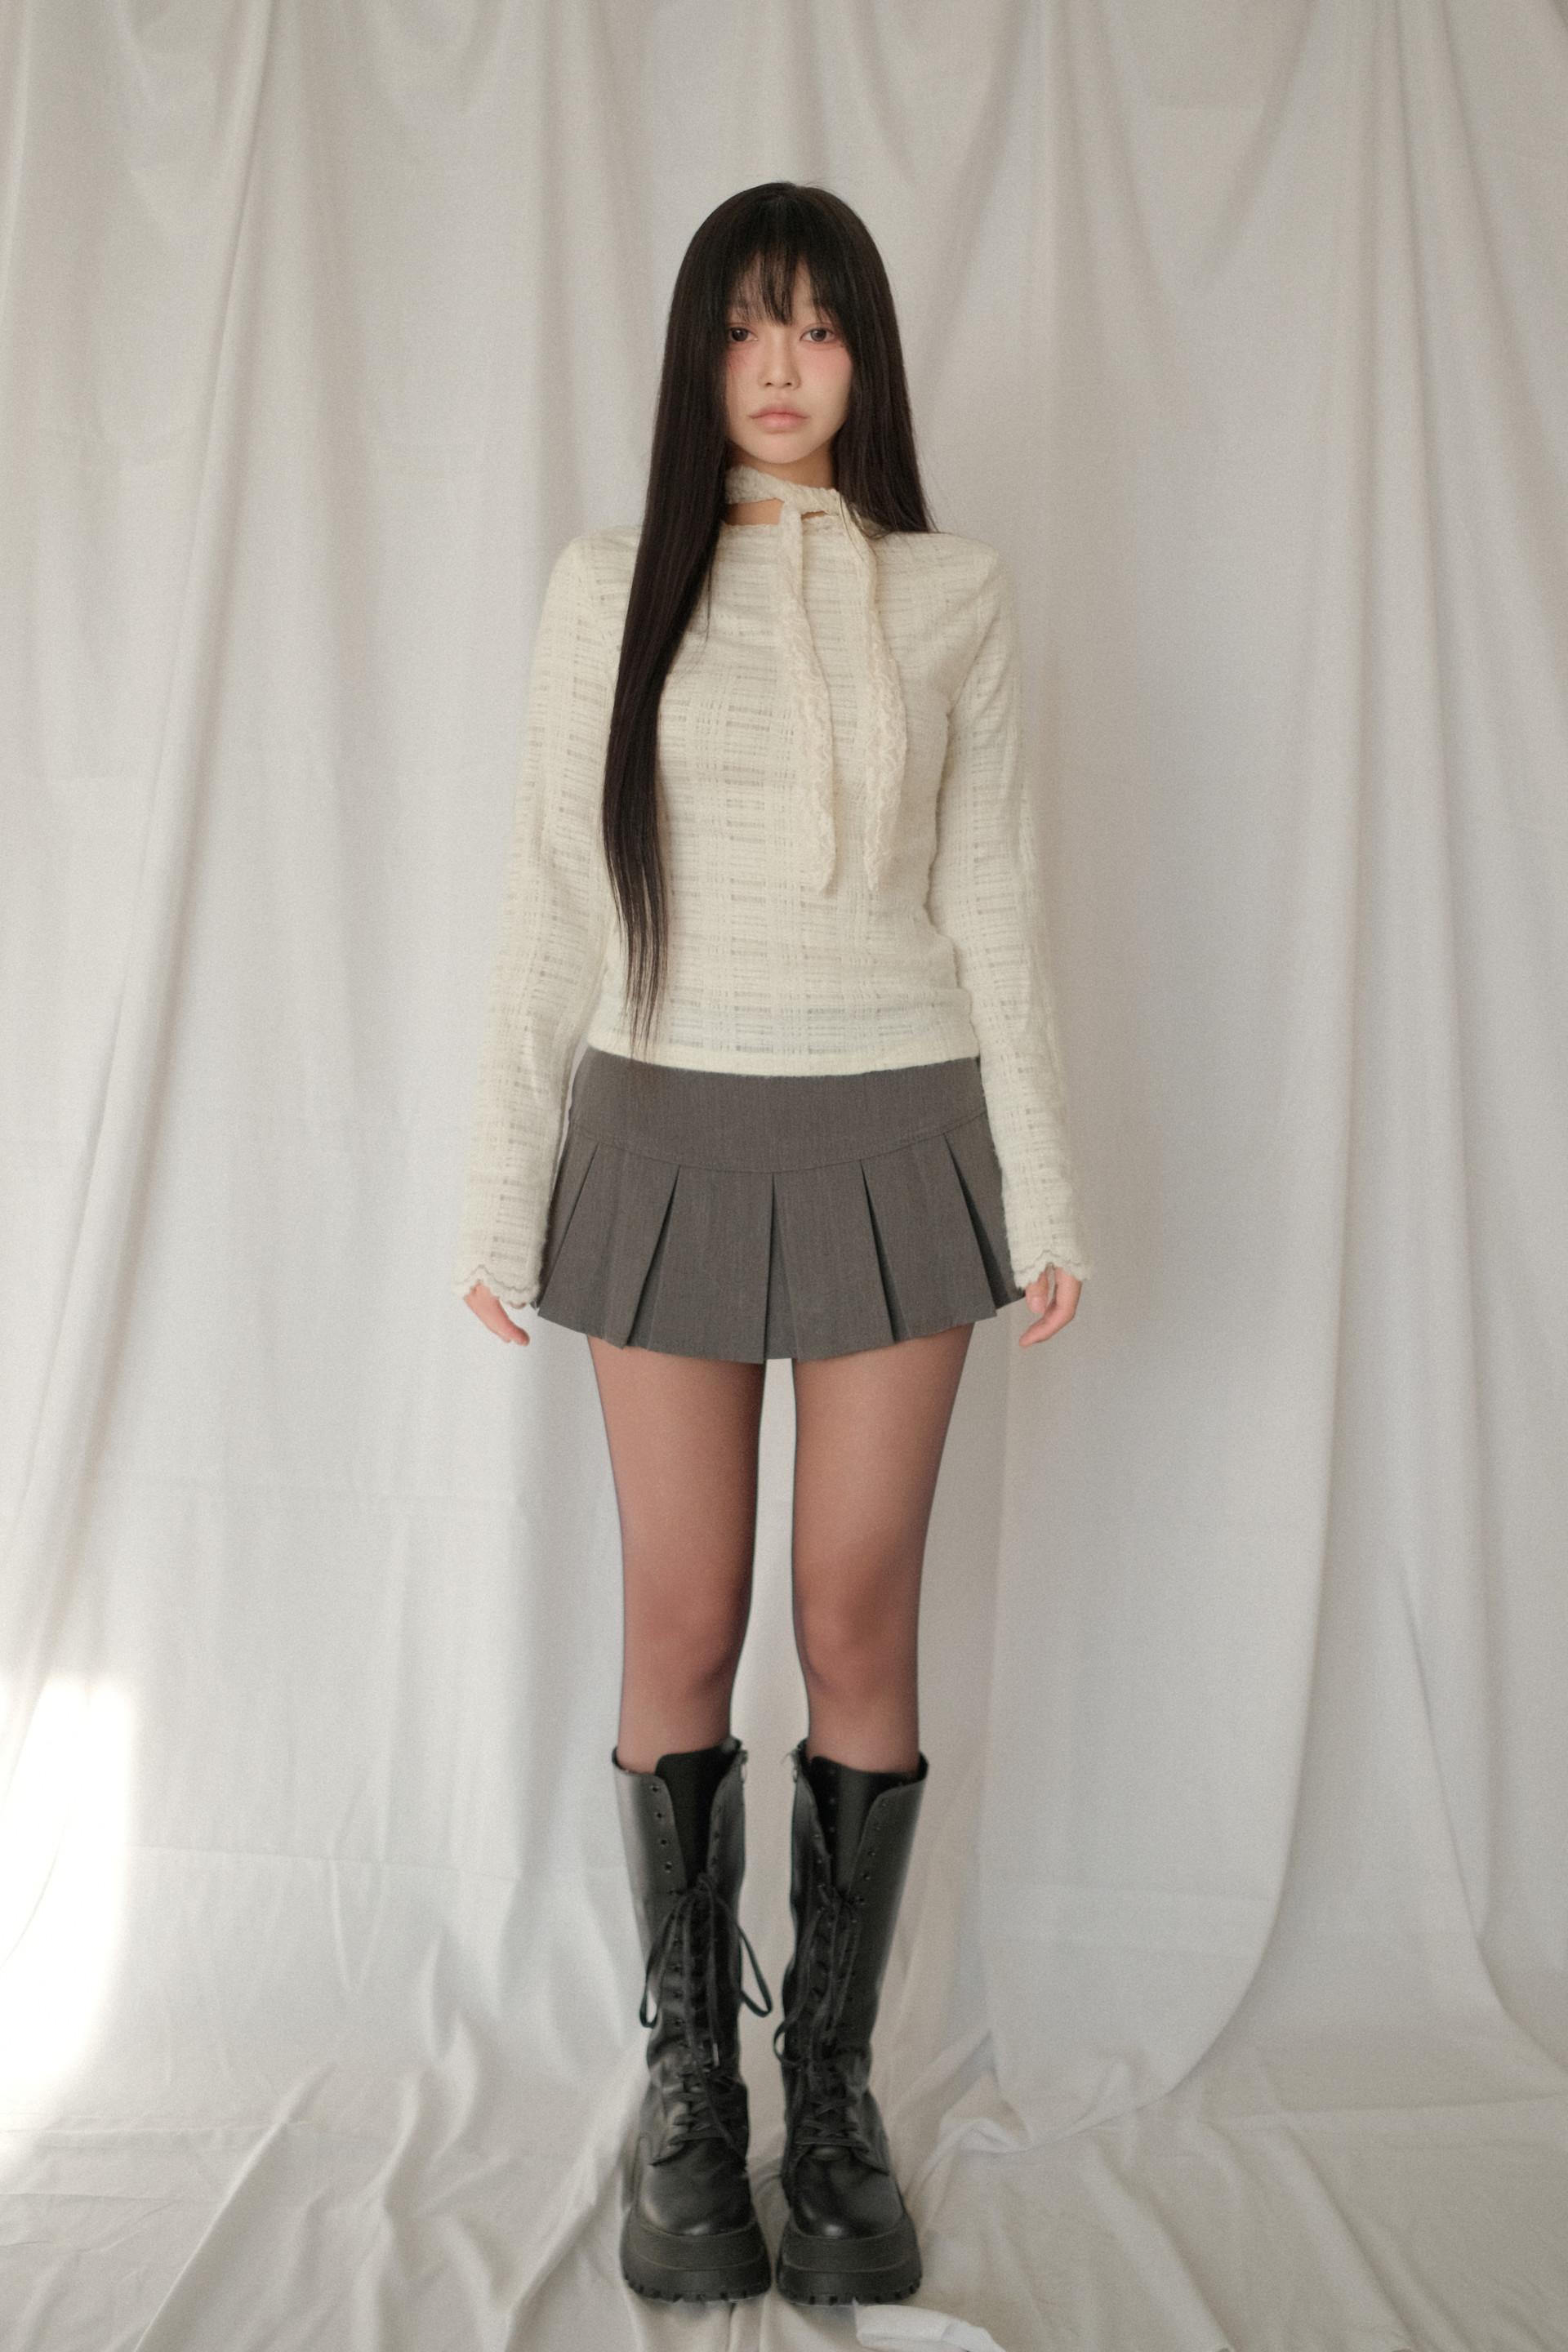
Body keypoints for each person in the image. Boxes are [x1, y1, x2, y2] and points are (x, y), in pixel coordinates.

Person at [453, 181, 1088, 2310]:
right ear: (697, 357)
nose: (783, 364)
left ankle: (829, 2093)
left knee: (853, 1614)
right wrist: (498, 1193)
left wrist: (1047, 1191)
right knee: (682, 1610)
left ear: (866, 355)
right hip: (661, 1135)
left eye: (817, 326)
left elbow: (997, 902)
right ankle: (686, 2095)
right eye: (746, 325)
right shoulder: (607, 586)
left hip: (901, 1130)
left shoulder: (955, 594)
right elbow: (555, 898)